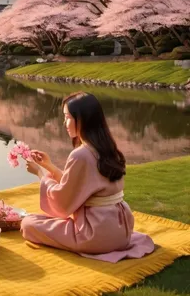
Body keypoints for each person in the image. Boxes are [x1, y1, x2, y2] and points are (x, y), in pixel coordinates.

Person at [21, 92, 155, 262]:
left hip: (94, 234)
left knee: (29, 224)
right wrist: (50, 166)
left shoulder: (81, 154)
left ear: (82, 119)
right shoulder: (108, 147)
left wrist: (40, 173)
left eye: (67, 117)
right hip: (122, 230)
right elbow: (79, 187)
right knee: (38, 220)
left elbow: (63, 202)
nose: (64, 123)